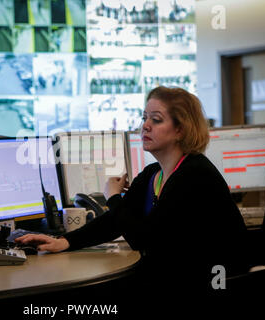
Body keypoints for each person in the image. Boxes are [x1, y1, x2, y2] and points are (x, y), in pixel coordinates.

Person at [16, 86, 249, 295]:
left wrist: (114, 196)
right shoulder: (153, 174)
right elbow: (115, 222)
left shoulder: (195, 175)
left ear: (180, 130)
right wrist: (63, 242)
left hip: (209, 281)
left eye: (156, 120)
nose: (145, 125)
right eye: (144, 117)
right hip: (176, 275)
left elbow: (143, 239)